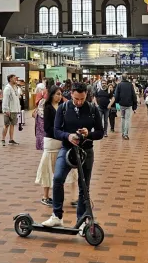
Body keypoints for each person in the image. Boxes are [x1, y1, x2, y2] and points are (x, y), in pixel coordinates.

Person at [41, 83, 105, 228]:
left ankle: (81, 221)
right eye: (76, 99)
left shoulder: (92, 109)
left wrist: (89, 134)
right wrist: (68, 136)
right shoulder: (63, 109)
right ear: (71, 95)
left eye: (82, 99)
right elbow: (56, 131)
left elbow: (100, 132)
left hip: (86, 151)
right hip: (67, 149)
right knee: (57, 178)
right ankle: (57, 215)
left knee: (84, 186)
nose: (79, 102)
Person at [34, 85, 78, 206]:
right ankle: (45, 196)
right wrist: (61, 134)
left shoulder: (63, 107)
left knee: (72, 169)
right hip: (52, 141)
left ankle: (74, 198)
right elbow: (47, 127)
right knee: (48, 168)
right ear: (52, 95)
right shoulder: (48, 107)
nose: (59, 97)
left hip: (63, 140)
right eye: (57, 94)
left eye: (60, 94)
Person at [113, 74, 137, 140]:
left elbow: (116, 96)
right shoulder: (130, 85)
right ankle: (126, 134)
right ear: (127, 78)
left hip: (121, 104)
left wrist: (117, 105)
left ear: (121, 78)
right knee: (127, 119)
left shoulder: (119, 85)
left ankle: (123, 133)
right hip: (129, 105)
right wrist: (135, 106)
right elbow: (134, 95)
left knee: (122, 118)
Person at [1, 74, 22, 146]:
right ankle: (3, 139)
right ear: (10, 79)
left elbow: (17, 97)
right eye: (14, 78)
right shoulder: (7, 88)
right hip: (9, 109)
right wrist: (6, 109)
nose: (15, 79)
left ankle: (11, 139)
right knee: (6, 124)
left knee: (12, 124)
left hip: (14, 109)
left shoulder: (15, 87)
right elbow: (5, 100)